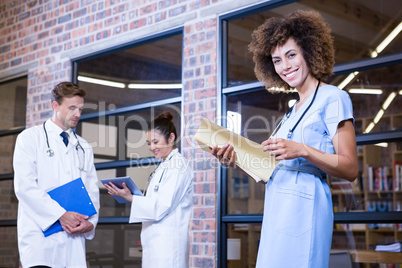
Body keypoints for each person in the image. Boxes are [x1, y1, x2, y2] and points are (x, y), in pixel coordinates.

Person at [212, 10, 358, 267]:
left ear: (310, 52)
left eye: (291, 55)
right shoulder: (290, 113)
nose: (285, 66)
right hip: (277, 205)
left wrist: (302, 149)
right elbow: (272, 171)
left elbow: (350, 168)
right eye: (277, 60)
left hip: (306, 206)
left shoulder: (333, 97)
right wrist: (235, 161)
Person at [13, 82, 100, 268]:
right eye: (72, 108)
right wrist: (60, 214)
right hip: (40, 241)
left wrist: (91, 223)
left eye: (80, 109)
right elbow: (25, 187)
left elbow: (92, 191)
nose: (78, 114)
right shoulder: (29, 138)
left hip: (73, 242)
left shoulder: (84, 146)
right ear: (55, 106)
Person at [104, 111, 193, 268]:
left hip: (169, 245)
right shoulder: (163, 166)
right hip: (155, 243)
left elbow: (161, 207)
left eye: (155, 142)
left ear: (171, 138)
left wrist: (131, 197)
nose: (152, 147)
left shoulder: (178, 166)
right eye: (148, 143)